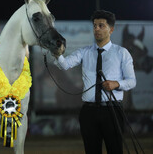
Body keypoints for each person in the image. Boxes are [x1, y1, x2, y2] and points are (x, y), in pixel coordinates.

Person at [53, 10, 136, 154]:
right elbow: (64, 65)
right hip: (89, 112)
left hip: (112, 110)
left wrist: (116, 84)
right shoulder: (84, 52)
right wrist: (57, 53)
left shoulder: (121, 53)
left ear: (111, 29)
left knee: (115, 150)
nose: (96, 29)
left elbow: (132, 81)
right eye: (95, 25)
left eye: (101, 26)